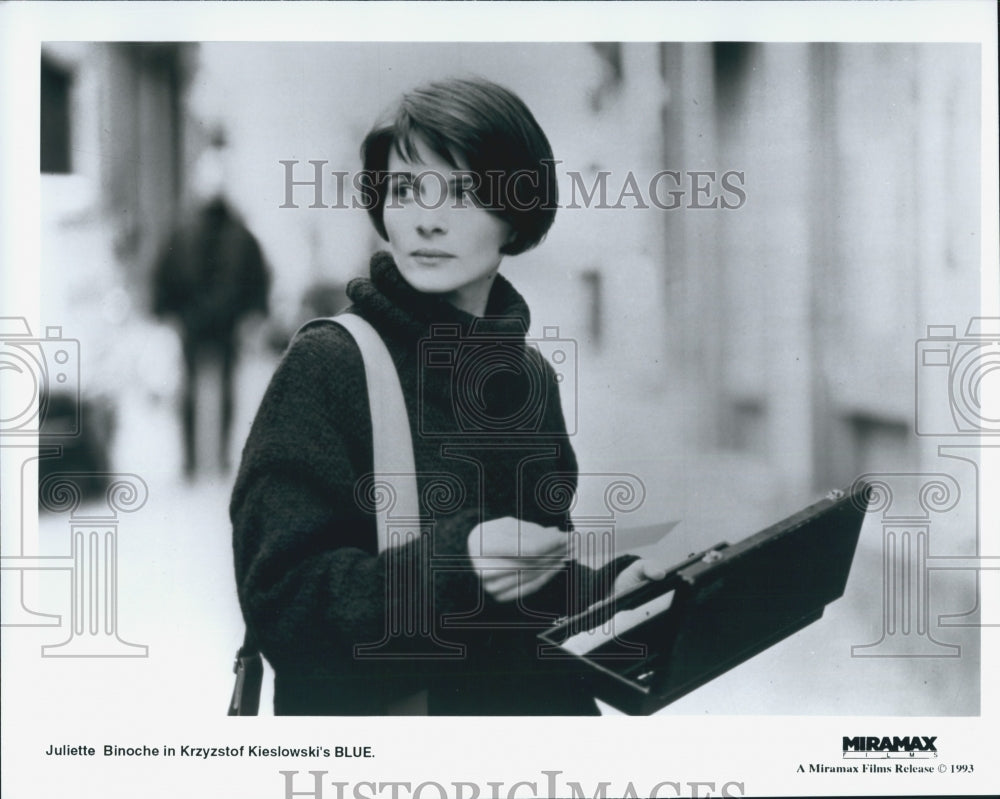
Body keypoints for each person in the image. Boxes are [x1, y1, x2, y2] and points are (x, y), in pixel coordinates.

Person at [230, 77, 662, 715]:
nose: (426, 219)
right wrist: (454, 570)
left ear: (516, 215)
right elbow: (283, 604)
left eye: (461, 191)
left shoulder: (529, 377)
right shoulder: (330, 365)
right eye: (405, 189)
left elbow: (527, 582)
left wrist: (606, 593)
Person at [152, 130, 270, 478]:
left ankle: (211, 458)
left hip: (219, 319)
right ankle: (195, 459)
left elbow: (253, 273)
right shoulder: (188, 231)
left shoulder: (233, 234)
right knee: (192, 390)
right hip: (199, 318)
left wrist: (252, 311)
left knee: (220, 390)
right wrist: (168, 312)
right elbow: (167, 270)